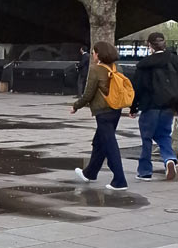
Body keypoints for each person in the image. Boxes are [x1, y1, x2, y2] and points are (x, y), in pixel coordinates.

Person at [71, 40, 128, 190]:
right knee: (99, 142)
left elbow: (88, 94)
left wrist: (76, 106)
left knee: (110, 145)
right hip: (116, 110)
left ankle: (120, 180)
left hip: (102, 111)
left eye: (93, 52)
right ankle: (90, 172)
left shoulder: (95, 70)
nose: (93, 55)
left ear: (98, 54)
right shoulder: (118, 68)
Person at [129, 32, 178, 183]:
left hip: (150, 105)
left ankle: (145, 171)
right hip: (169, 104)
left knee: (147, 138)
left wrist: (133, 107)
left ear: (149, 45)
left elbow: (138, 87)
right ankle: (170, 159)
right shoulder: (174, 60)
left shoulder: (144, 64)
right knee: (164, 135)